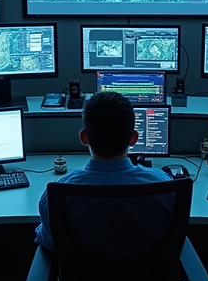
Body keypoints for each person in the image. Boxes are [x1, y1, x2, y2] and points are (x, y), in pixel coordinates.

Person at [33, 91, 173, 256]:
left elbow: (49, 243)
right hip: (149, 280)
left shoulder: (56, 194)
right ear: (133, 138)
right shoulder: (166, 187)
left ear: (84, 137)